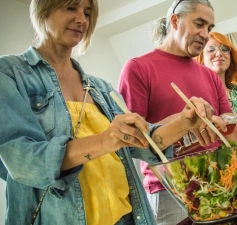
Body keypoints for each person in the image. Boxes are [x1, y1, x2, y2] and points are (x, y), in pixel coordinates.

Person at [0, 0, 224, 224]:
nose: (82, 20)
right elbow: (22, 161)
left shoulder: (100, 87)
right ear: (42, 10)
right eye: (71, 8)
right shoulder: (11, 74)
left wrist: (185, 122)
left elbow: (142, 142)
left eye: (87, 13)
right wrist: (105, 141)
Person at [118, 1, 237, 224]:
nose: (205, 34)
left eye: (210, 27)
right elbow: (131, 143)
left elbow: (230, 131)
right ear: (175, 21)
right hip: (172, 191)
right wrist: (182, 120)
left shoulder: (210, 76)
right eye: (199, 24)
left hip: (223, 181)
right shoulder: (138, 68)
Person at [195, 31, 237, 136]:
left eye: (224, 49)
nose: (219, 53)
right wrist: (236, 131)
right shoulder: (200, 95)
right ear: (201, 58)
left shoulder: (235, 91)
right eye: (211, 49)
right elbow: (203, 138)